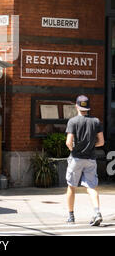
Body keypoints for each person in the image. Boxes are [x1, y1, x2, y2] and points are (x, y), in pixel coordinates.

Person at [65, 95, 105, 226]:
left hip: (76, 158)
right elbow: (101, 142)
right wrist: (91, 146)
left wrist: (73, 149)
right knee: (92, 186)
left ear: (76, 106)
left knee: (71, 186)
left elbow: (68, 142)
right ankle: (97, 212)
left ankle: (71, 216)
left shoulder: (73, 121)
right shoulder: (96, 121)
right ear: (88, 108)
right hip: (91, 159)